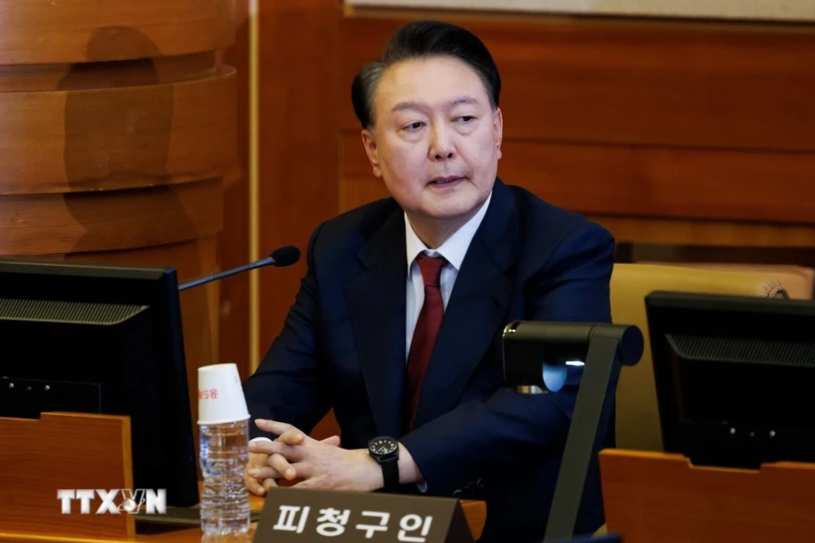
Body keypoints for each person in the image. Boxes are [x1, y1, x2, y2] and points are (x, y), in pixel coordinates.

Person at [242, 20, 616, 542]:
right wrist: (261, 453)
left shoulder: (562, 248)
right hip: (374, 533)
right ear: (373, 150)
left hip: (509, 531)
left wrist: (378, 463)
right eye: (413, 126)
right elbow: (279, 391)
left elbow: (544, 400)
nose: (443, 147)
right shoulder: (342, 248)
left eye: (464, 119)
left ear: (496, 131)